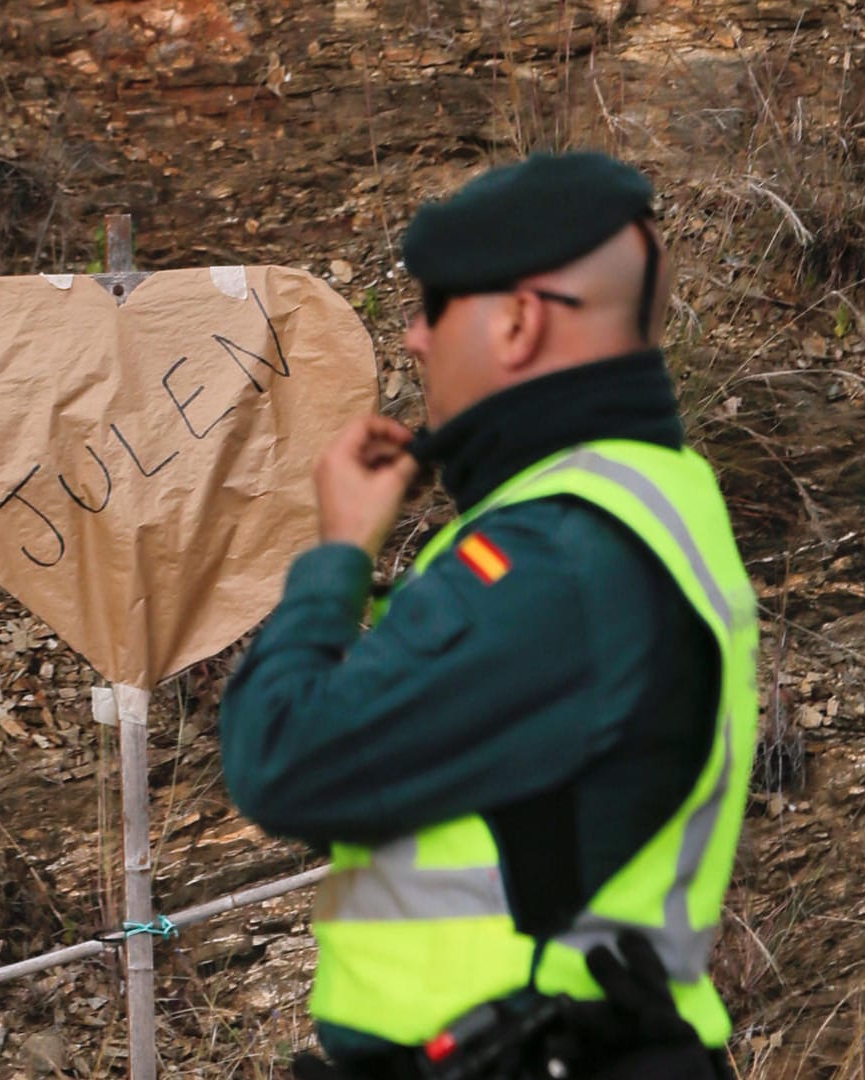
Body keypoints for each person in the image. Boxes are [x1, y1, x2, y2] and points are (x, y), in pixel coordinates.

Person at [218, 152, 758, 1080]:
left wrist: (338, 553)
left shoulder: (559, 555)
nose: (417, 339)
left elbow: (283, 758)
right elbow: (403, 786)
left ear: (517, 321)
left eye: (435, 306)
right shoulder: (633, 500)